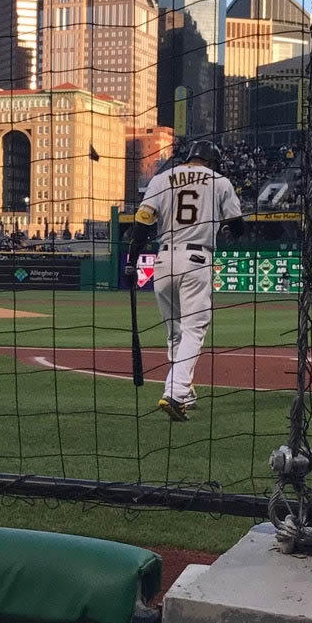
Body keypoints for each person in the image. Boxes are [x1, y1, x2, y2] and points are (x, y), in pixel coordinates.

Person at [125, 141, 244, 422]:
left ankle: (186, 391)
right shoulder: (219, 181)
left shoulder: (162, 178)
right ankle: (175, 393)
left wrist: (131, 260)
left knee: (175, 332)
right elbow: (237, 223)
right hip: (196, 260)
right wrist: (229, 229)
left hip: (163, 261)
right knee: (193, 331)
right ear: (212, 161)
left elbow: (143, 222)